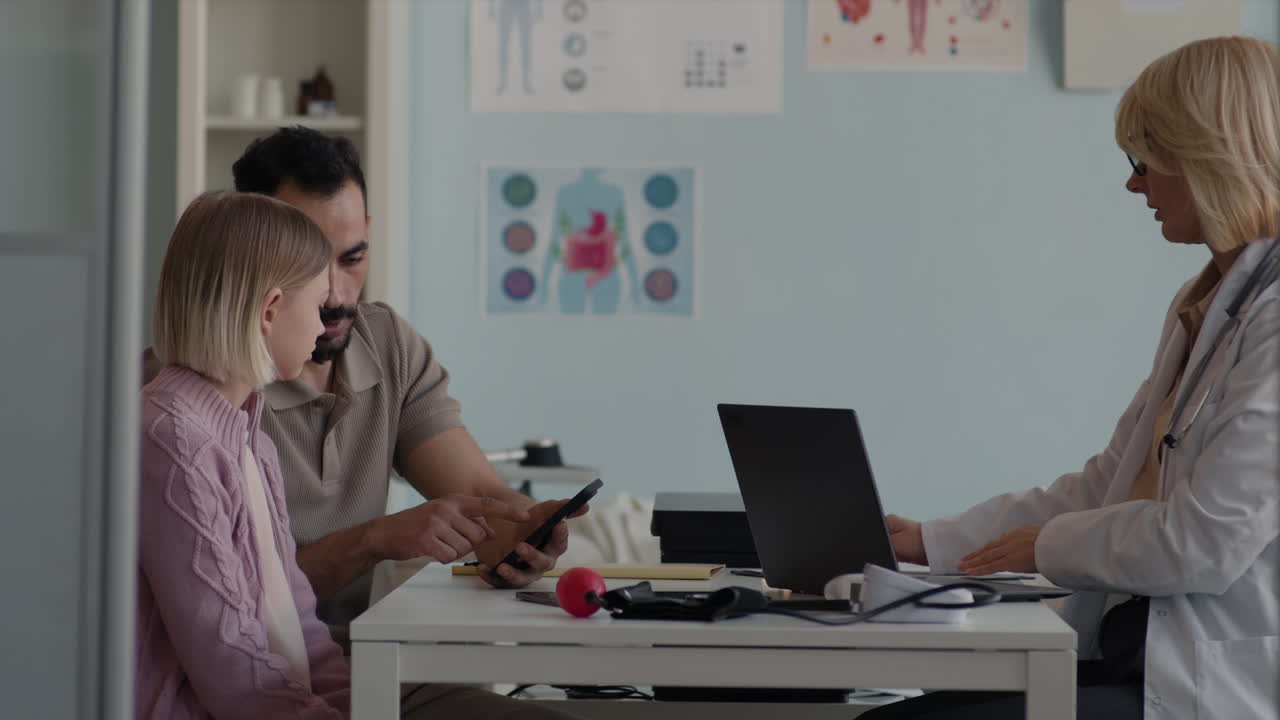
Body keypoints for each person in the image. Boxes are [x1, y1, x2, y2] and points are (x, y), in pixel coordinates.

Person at [867, 36, 1279, 719]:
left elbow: (1206, 544)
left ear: (1207, 156)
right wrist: (933, 541)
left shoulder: (1268, 321)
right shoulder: (1206, 305)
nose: (1134, 183)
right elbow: (1106, 485)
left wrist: (1046, 547)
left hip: (1213, 685)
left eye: (1144, 159)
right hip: (1137, 653)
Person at [137, 191, 348, 717]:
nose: (325, 327)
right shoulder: (172, 441)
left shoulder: (247, 435)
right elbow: (229, 662)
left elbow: (300, 621)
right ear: (271, 311)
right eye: (319, 306)